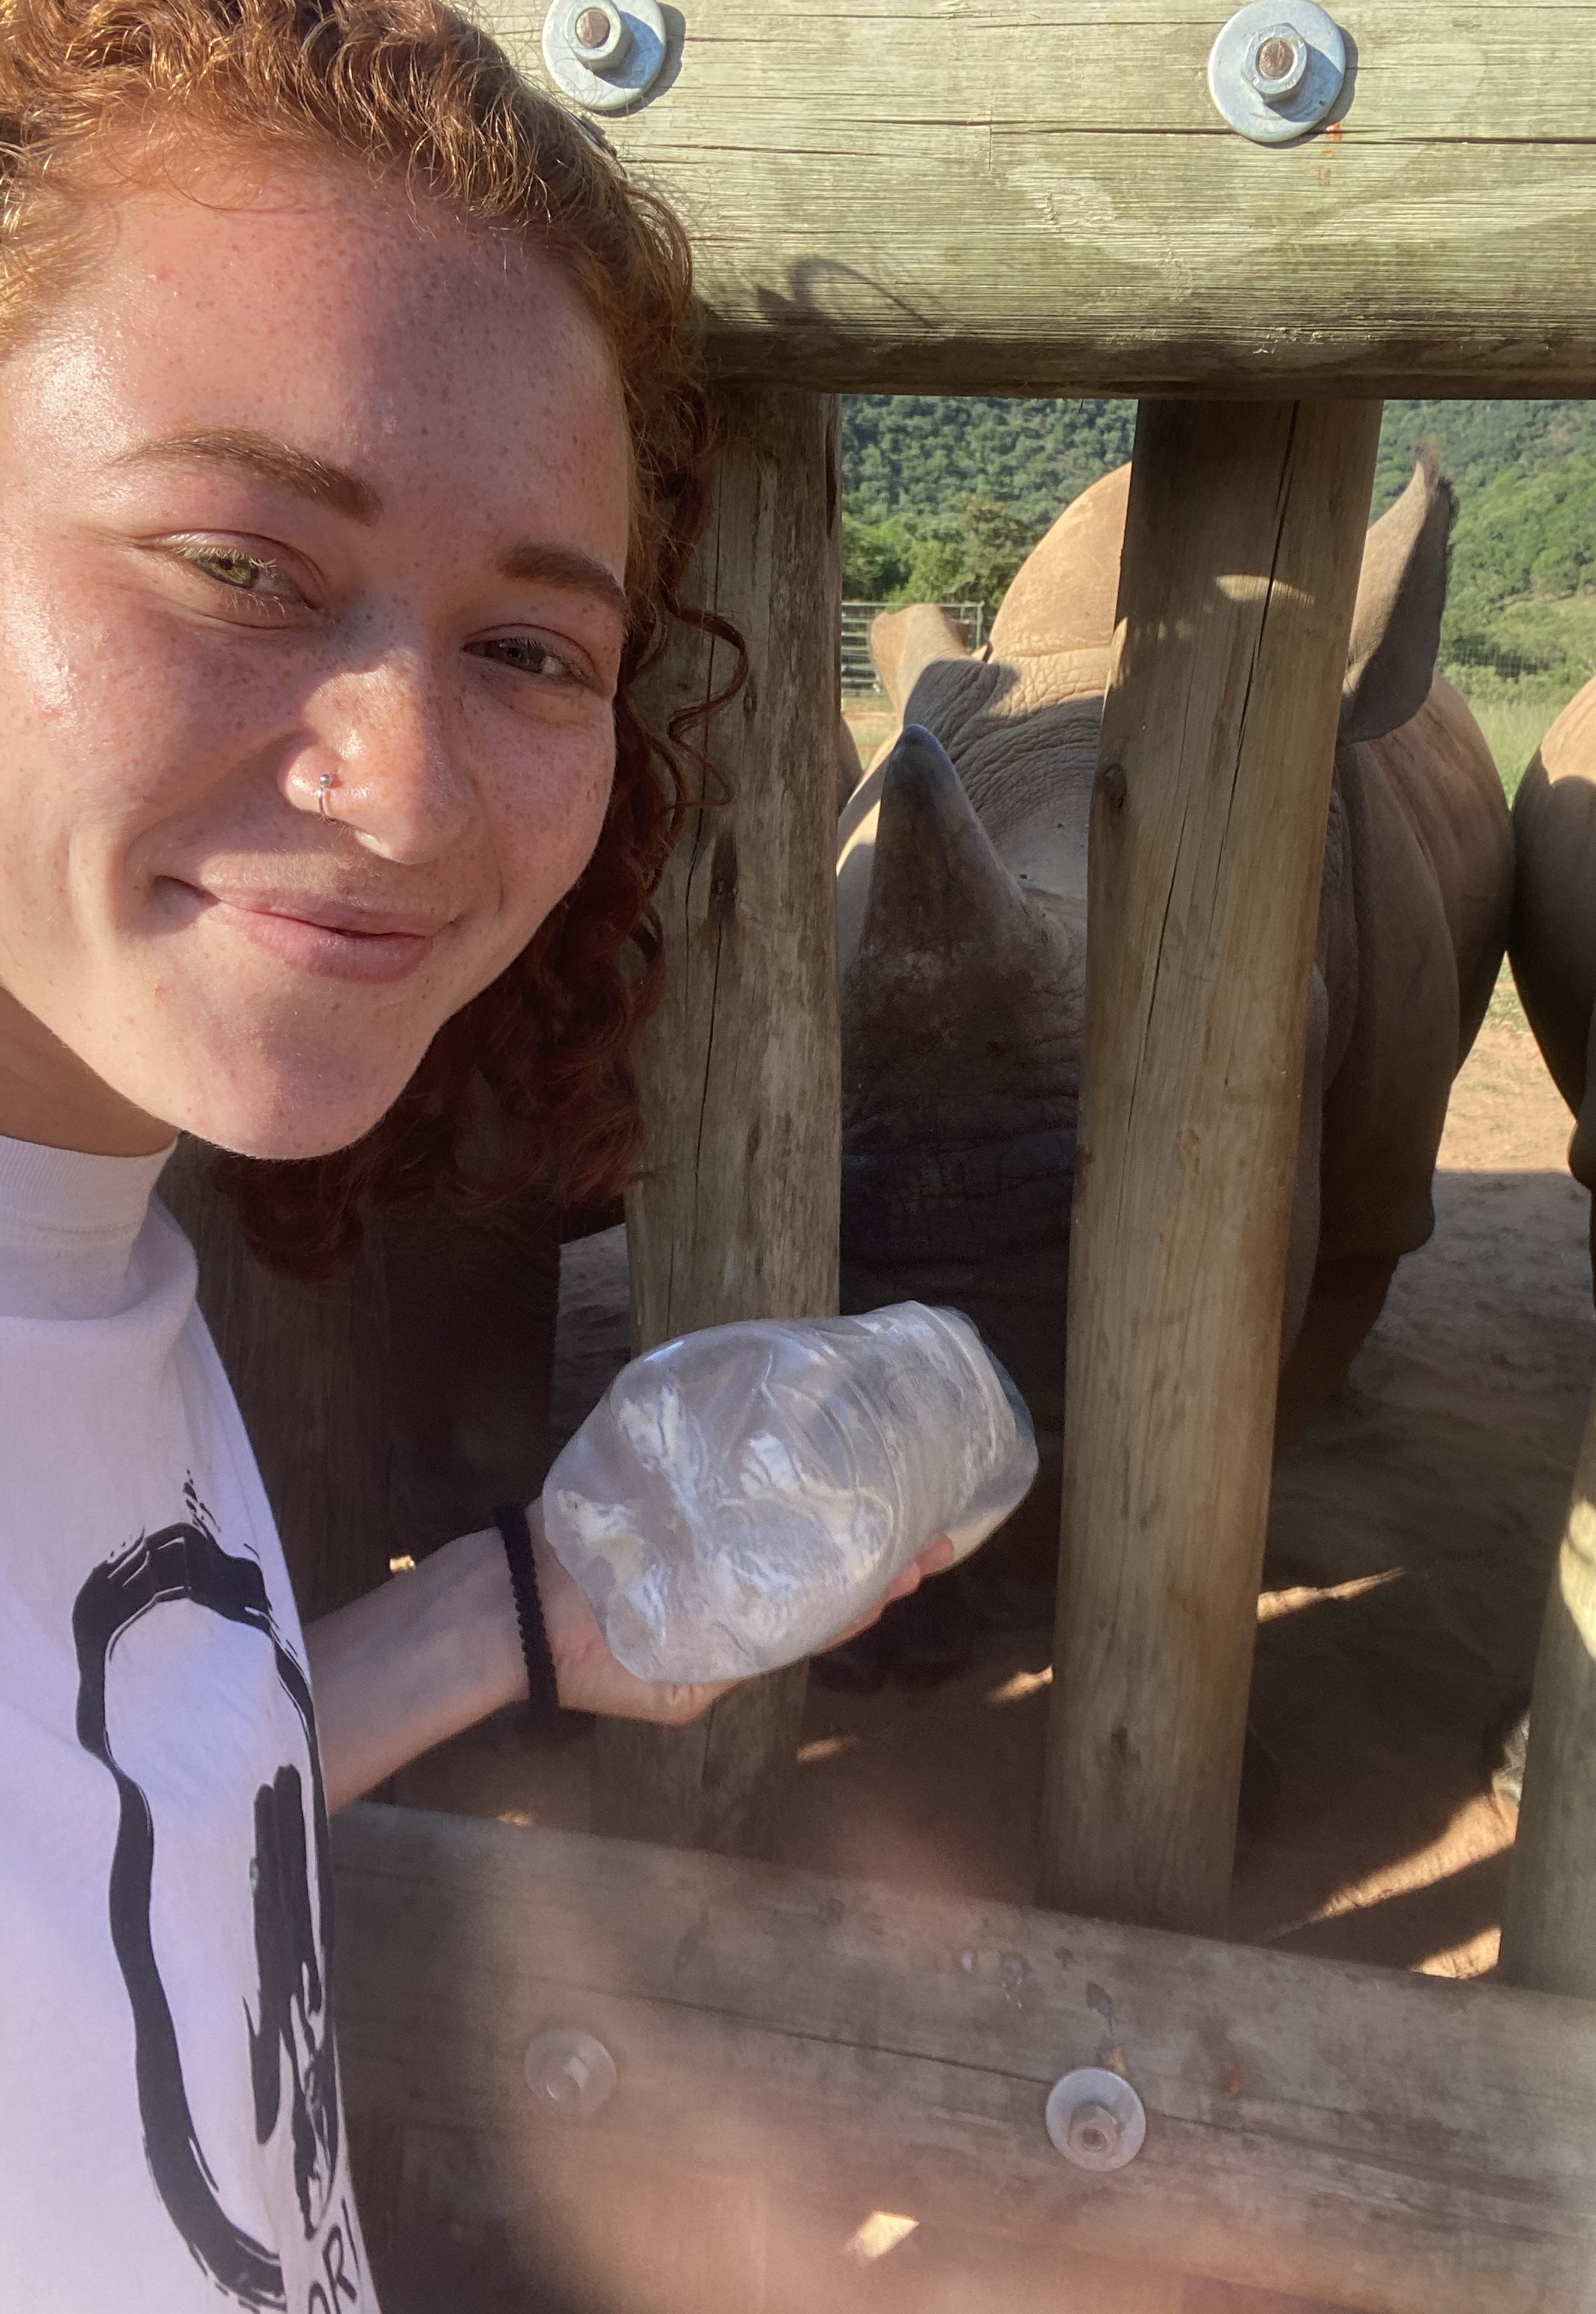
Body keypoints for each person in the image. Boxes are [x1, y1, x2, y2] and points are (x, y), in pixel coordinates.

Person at [0, 0, 949, 2304]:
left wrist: (512, 1616)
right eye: (236, 564)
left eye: (530, 650)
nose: (411, 796)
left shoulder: (92, 1255)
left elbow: (87, 1820)